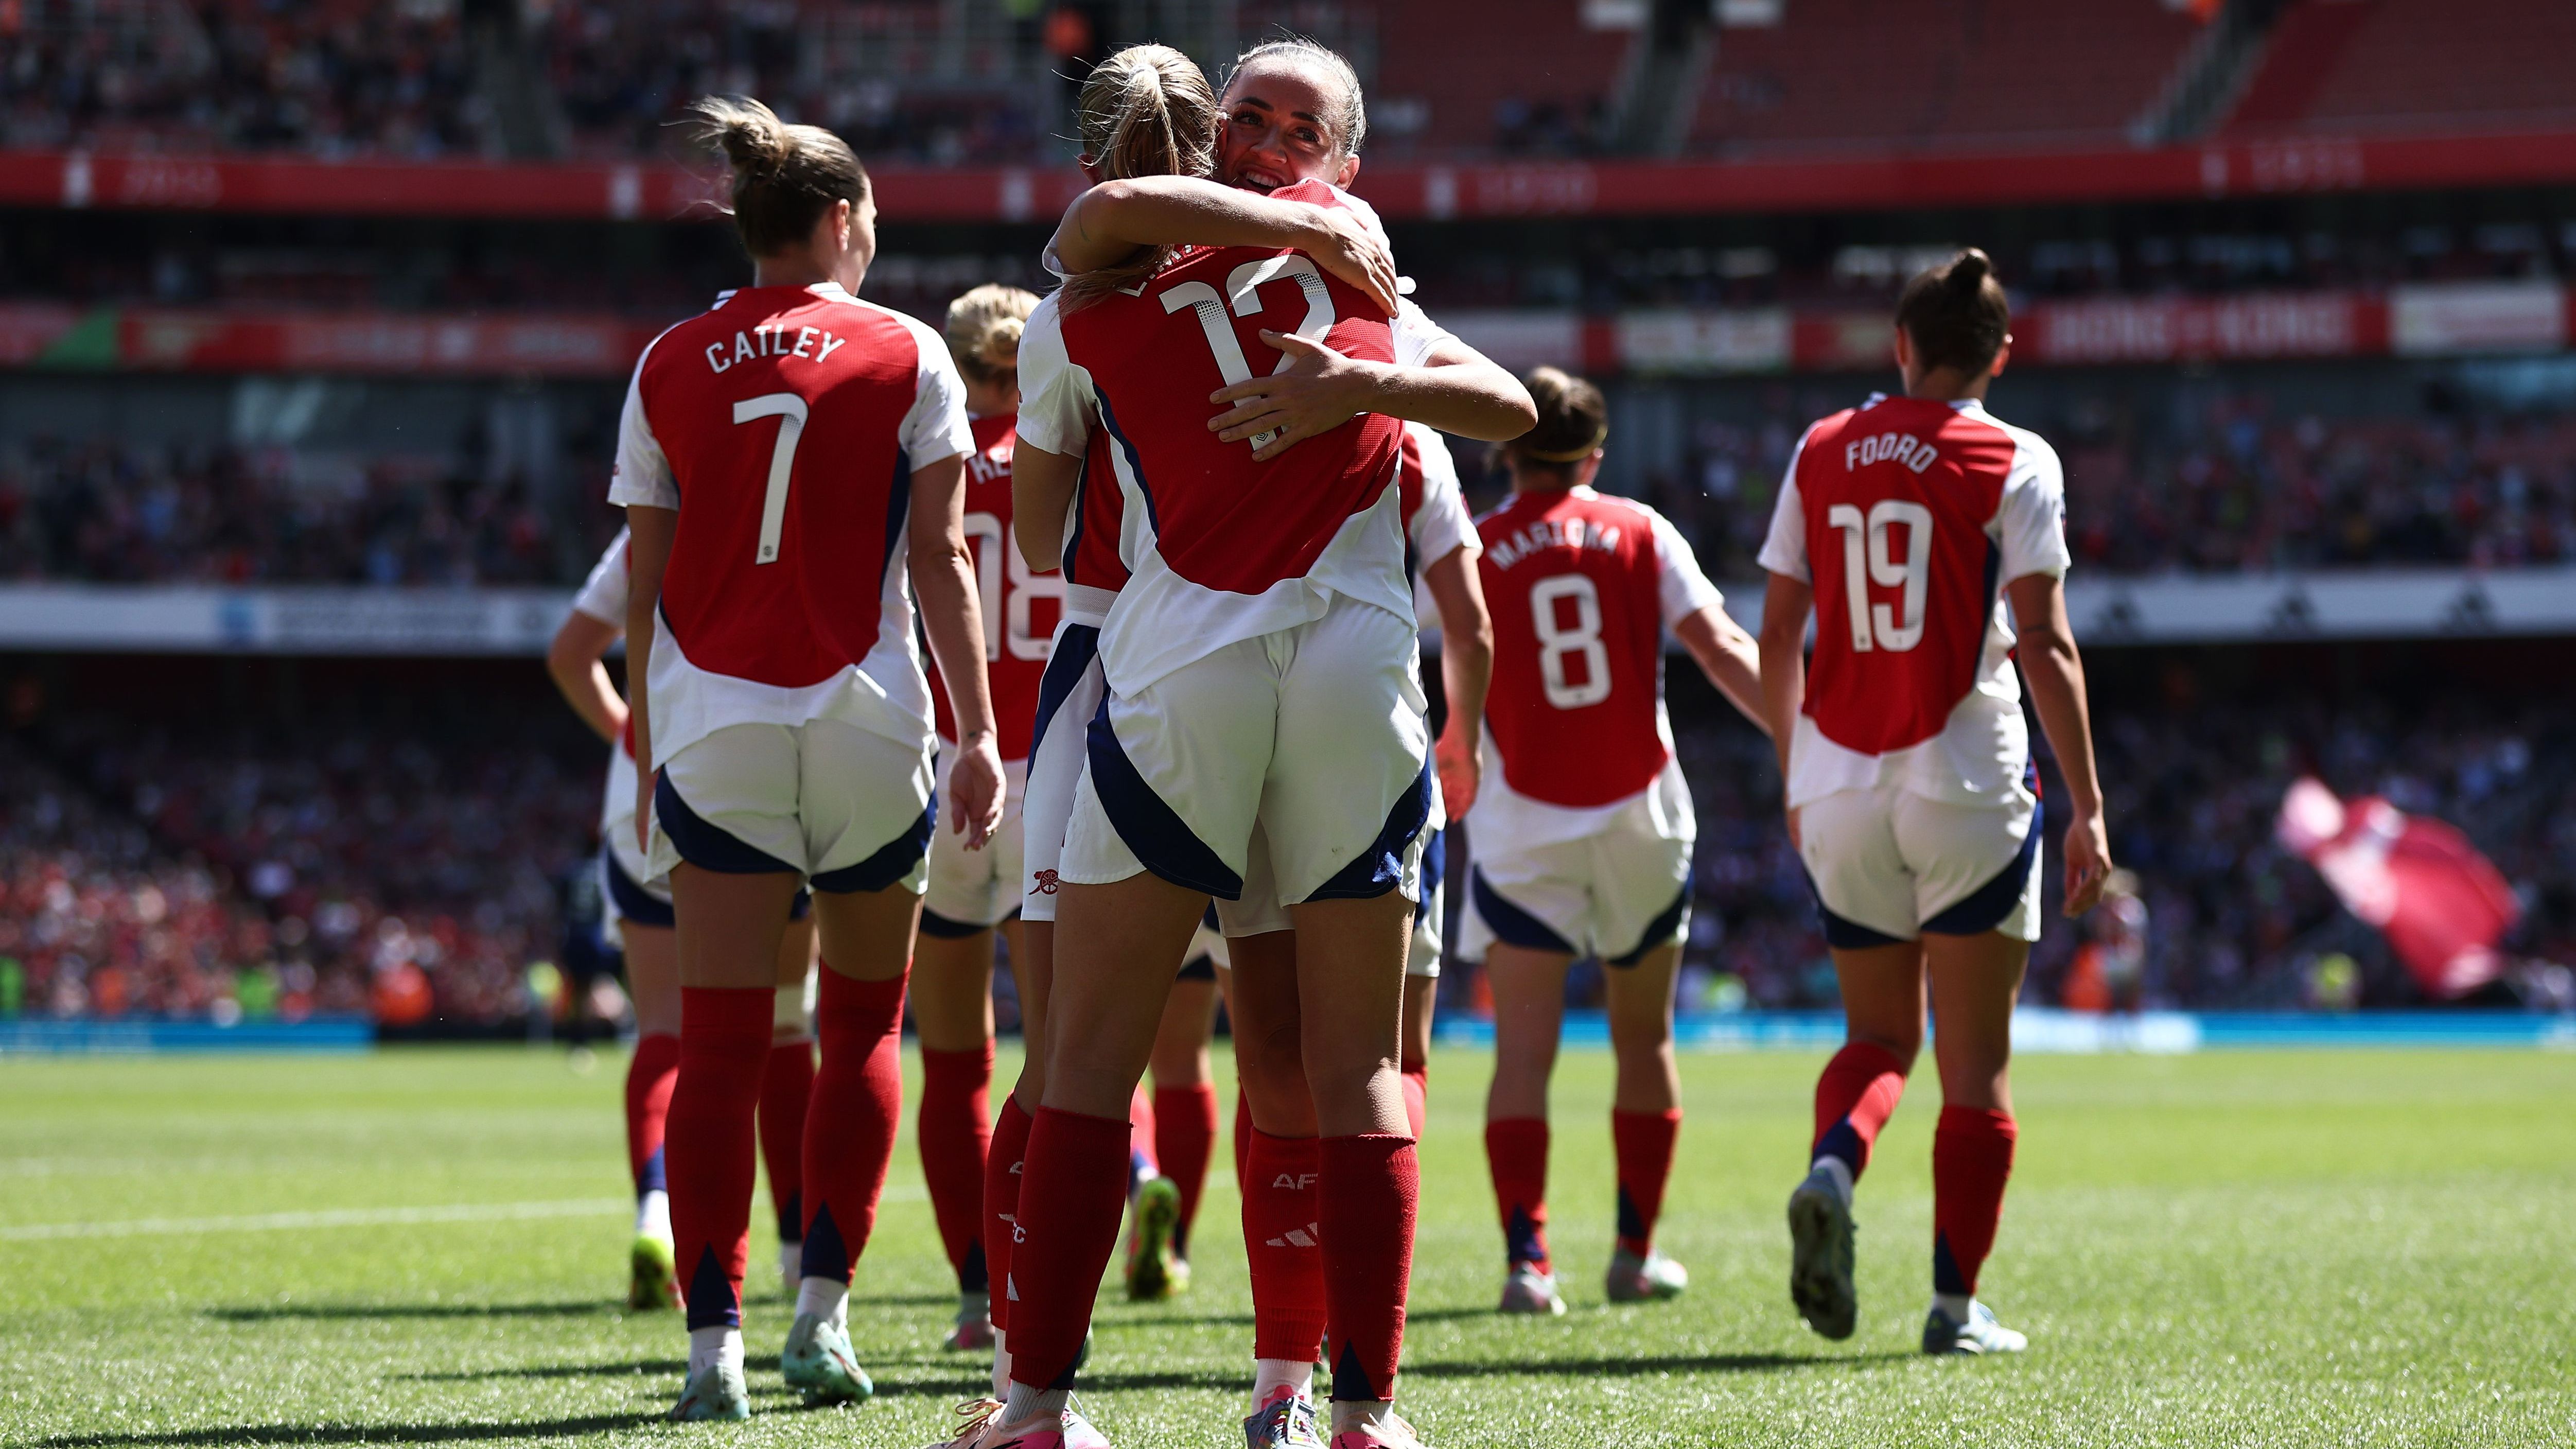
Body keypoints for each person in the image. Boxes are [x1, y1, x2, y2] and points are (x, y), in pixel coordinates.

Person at [951, 42, 1531, 1449]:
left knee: (1085, 1054)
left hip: (1164, 669)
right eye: (1249, 119)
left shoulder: (1077, 312)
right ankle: (1349, 1410)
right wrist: (1356, 375)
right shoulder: (1352, 268)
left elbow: (1036, 538)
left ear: (1337, 155)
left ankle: (1032, 1406)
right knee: (1334, 1064)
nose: (1269, 141)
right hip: (1346, 678)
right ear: (1210, 139)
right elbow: (1512, 411)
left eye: (1295, 127)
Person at [614, 95, 1003, 1421]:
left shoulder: (668, 357)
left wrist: (651, 739)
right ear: (840, 221)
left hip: (716, 722)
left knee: (718, 1046)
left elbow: (645, 581)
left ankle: (709, 1351)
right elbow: (943, 558)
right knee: (860, 1031)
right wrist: (980, 727)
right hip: (868, 714)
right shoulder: (908, 352)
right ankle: (821, 1321)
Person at [1756, 247, 2110, 1356]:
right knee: (1975, 1064)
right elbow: (2043, 642)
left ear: (1900, 348)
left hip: (1838, 776)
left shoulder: (1821, 447)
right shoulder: (2016, 455)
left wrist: (1792, 772)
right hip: (1962, 774)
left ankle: (1830, 1166)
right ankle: (1954, 1308)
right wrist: (2089, 806)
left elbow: (1774, 631)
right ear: (2001, 355)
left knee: (1873, 1035)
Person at [1465, 367, 1766, 1317]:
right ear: (1595, 454)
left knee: (1522, 1052)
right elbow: (1720, 646)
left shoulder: (1473, 544)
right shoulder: (1641, 528)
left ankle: (1527, 1262)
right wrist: (1806, 740)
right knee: (1646, 1037)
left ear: (1502, 449)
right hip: (1639, 811)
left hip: (1521, 818)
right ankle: (1633, 1255)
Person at [547, 530, 823, 1314]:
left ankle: (657, 1215)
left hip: (645, 797)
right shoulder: (799, 487)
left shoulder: (653, 520)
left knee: (666, 1032)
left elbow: (571, 654)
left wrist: (638, 745)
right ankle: (800, 1255)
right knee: (783, 1027)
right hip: (766, 780)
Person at [912, 282, 1054, 1353]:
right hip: (1058, 779)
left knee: (955, 1059)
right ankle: (1039, 1298)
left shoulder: (929, 465)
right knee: (1063, 1056)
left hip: (952, 771)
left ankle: (974, 1292)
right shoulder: (1072, 454)